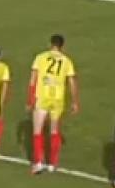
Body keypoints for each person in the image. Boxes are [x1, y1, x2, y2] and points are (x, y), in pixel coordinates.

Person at [27, 33, 78, 174]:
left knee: (37, 130)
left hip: (42, 96)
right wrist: (75, 102)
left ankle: (38, 162)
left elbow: (32, 80)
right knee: (54, 130)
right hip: (57, 98)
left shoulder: (40, 57)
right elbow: (72, 83)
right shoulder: (67, 61)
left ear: (50, 44)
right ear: (62, 46)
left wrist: (30, 99)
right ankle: (52, 164)